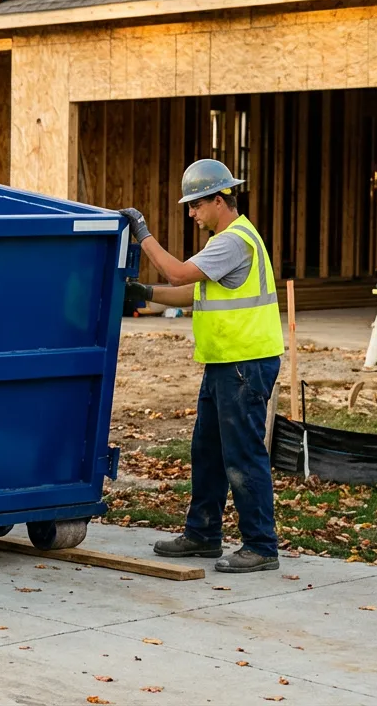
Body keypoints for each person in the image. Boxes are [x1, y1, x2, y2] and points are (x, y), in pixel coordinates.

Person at [120, 158, 284, 574]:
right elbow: (193, 294)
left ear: (218, 199)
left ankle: (261, 546)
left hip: (244, 364)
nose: (192, 214)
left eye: (195, 205)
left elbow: (177, 275)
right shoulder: (225, 243)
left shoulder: (232, 241)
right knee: (207, 452)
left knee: (243, 455)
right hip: (224, 364)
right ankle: (204, 534)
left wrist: (142, 231)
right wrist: (140, 292)